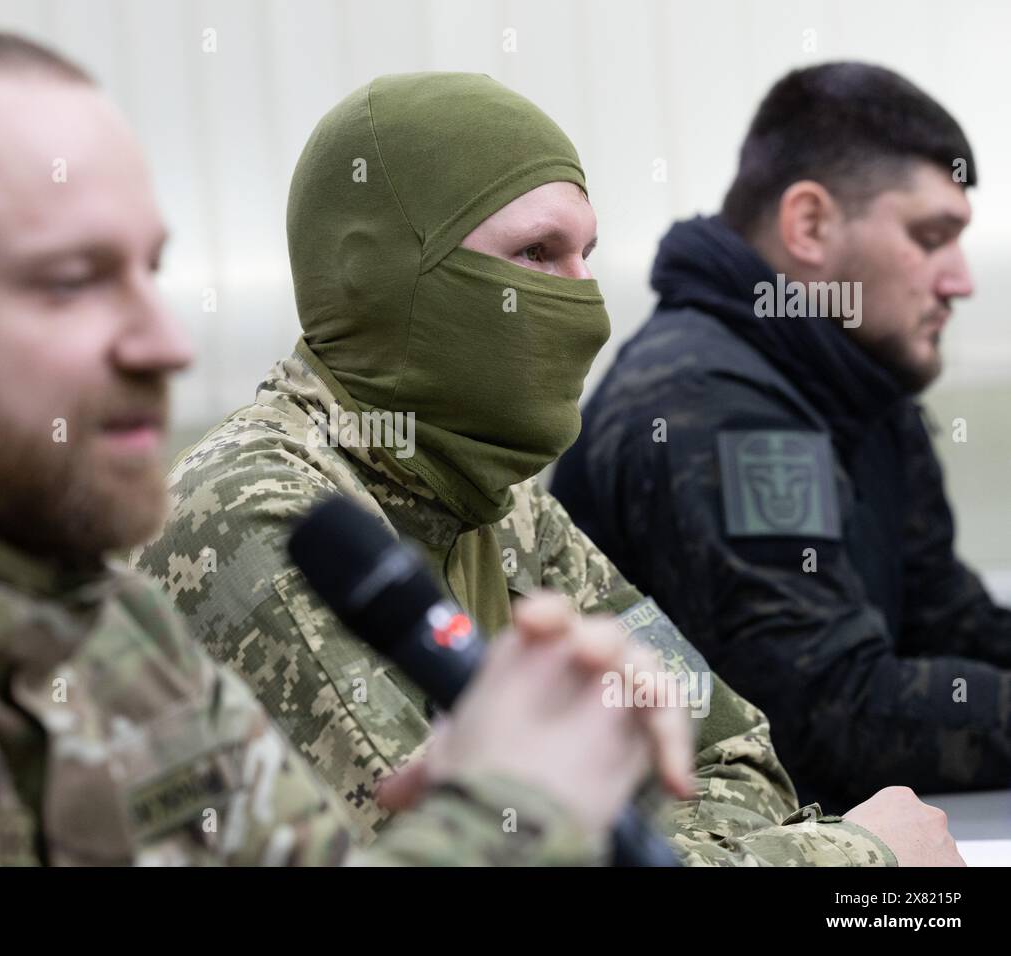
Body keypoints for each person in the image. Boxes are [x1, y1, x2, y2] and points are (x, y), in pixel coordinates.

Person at [0, 27, 690, 866]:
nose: (164, 342)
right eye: (67, 280)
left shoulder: (98, 618)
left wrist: (481, 786)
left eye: (149, 270)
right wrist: (511, 812)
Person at [140, 71, 958, 865]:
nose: (588, 308)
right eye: (535, 254)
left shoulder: (499, 499)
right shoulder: (268, 515)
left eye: (586, 253)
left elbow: (731, 757)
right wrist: (854, 861)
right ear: (373, 275)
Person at [552, 62, 1011, 811]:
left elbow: (944, 620)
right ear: (809, 225)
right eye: (932, 237)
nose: (960, 280)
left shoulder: (852, 375)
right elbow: (829, 716)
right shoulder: (709, 403)